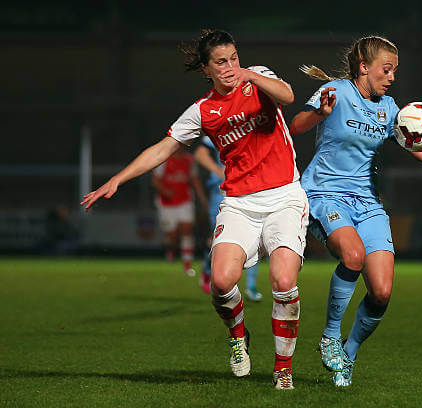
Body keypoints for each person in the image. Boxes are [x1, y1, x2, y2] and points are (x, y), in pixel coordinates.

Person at [81, 29, 309, 390]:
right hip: (239, 203)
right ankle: (238, 336)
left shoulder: (258, 77)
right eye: (221, 62)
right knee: (220, 282)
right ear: (206, 69)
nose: (231, 66)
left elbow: (288, 95)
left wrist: (251, 74)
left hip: (284, 196)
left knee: (283, 281)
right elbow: (163, 148)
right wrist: (118, 179)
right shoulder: (204, 110)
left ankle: (283, 368)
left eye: (234, 58)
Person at [289, 35, 422, 387]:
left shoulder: (391, 108)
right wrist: (318, 113)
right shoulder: (337, 92)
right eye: (386, 69)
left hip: (368, 202)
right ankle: (330, 336)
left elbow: (418, 148)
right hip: (325, 194)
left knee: (382, 291)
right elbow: (293, 127)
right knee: (353, 255)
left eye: (395, 71)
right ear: (364, 67)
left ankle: (349, 354)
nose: (392, 77)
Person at [194, 136, 263, 301]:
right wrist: (218, 171)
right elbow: (200, 153)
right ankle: (208, 268)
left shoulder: (260, 123)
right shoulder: (225, 123)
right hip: (223, 192)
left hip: (251, 190)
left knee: (255, 236)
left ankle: (251, 286)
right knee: (218, 238)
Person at [152, 146, 207, 276]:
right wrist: (165, 190)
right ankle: (171, 250)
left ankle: (187, 265)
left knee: (186, 230)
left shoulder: (189, 159)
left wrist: (203, 198)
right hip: (167, 203)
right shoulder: (164, 159)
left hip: (185, 201)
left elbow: (194, 179)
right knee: (172, 236)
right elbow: (155, 179)